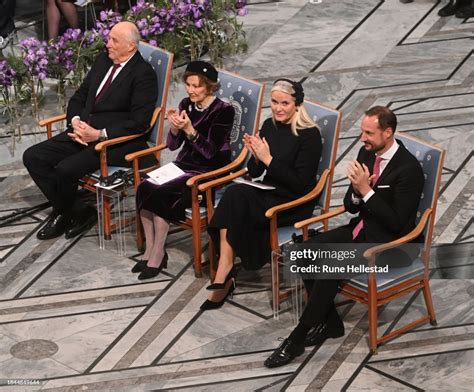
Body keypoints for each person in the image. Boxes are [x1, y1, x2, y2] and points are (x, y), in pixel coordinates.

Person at [263, 106, 425, 368]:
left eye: (369, 133)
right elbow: (351, 206)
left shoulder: (408, 170)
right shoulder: (366, 152)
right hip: (362, 230)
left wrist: (367, 191)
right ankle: (332, 323)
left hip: (392, 247)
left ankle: (296, 339)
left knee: (330, 265)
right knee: (303, 252)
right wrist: (358, 193)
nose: (363, 139)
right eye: (362, 132)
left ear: (388, 132)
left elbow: (397, 223)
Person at [23, 21, 158, 240]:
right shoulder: (103, 60)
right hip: (82, 130)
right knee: (33, 157)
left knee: (65, 170)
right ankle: (76, 211)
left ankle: (64, 212)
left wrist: (99, 134)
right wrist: (75, 120)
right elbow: (80, 96)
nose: (108, 44)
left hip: (114, 141)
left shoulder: (143, 75)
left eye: (114, 40)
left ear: (131, 46)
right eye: (109, 38)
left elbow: (139, 122)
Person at [201, 79, 323, 311]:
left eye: (284, 103)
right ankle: (225, 267)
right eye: (274, 102)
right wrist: (255, 154)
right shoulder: (269, 125)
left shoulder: (309, 136)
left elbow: (300, 184)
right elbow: (256, 172)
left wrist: (268, 159)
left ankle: (225, 273)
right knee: (235, 194)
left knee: (236, 199)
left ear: (297, 104)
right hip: (269, 191)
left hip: (293, 201)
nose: (278, 108)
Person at [133, 61, 235, 281]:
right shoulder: (185, 104)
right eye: (188, 85)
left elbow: (210, 153)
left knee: (160, 193)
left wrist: (190, 130)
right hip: (184, 165)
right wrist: (175, 128)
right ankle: (150, 249)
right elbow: (172, 146)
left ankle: (159, 253)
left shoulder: (224, 111)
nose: (190, 90)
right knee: (144, 185)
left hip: (209, 171)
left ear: (209, 86)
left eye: (196, 86)